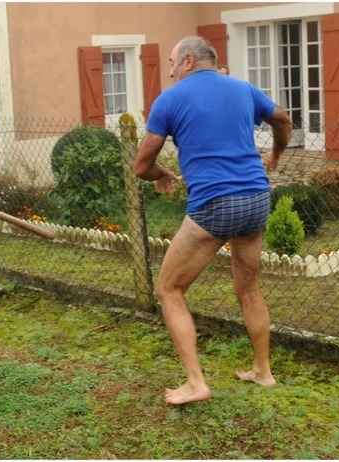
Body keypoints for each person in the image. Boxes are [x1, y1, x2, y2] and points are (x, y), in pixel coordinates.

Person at [132, 36, 292, 405]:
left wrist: (161, 175)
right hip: (255, 201)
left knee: (169, 290)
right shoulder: (242, 88)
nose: (170, 71)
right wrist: (276, 155)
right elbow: (283, 120)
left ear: (188, 59)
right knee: (248, 289)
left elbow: (141, 165)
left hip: (214, 206)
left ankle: (195, 383)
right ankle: (263, 372)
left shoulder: (169, 100)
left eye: (172, 63)